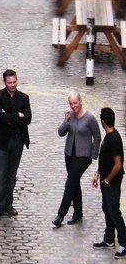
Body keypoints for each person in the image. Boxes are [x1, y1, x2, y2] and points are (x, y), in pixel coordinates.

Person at [0, 69, 31, 221]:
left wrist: (10, 116)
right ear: (4, 82)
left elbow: (28, 119)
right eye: (9, 82)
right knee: (0, 176)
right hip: (1, 142)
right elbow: (0, 117)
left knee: (11, 176)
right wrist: (17, 115)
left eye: (14, 82)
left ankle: (8, 204)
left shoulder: (24, 98)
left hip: (17, 141)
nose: (12, 85)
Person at [53, 91, 100, 228]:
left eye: (76, 103)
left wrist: (93, 155)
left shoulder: (89, 118)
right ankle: (78, 212)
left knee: (69, 183)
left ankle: (60, 215)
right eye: (71, 104)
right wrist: (66, 120)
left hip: (83, 156)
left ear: (80, 101)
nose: (74, 106)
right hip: (69, 154)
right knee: (74, 183)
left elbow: (97, 136)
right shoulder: (70, 116)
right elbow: (61, 133)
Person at [91, 107, 126, 258]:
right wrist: (98, 173)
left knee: (114, 212)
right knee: (107, 208)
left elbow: (118, 164)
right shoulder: (109, 136)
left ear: (103, 121)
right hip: (106, 181)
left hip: (111, 183)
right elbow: (104, 159)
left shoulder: (114, 139)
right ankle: (109, 238)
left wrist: (107, 180)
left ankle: (124, 243)